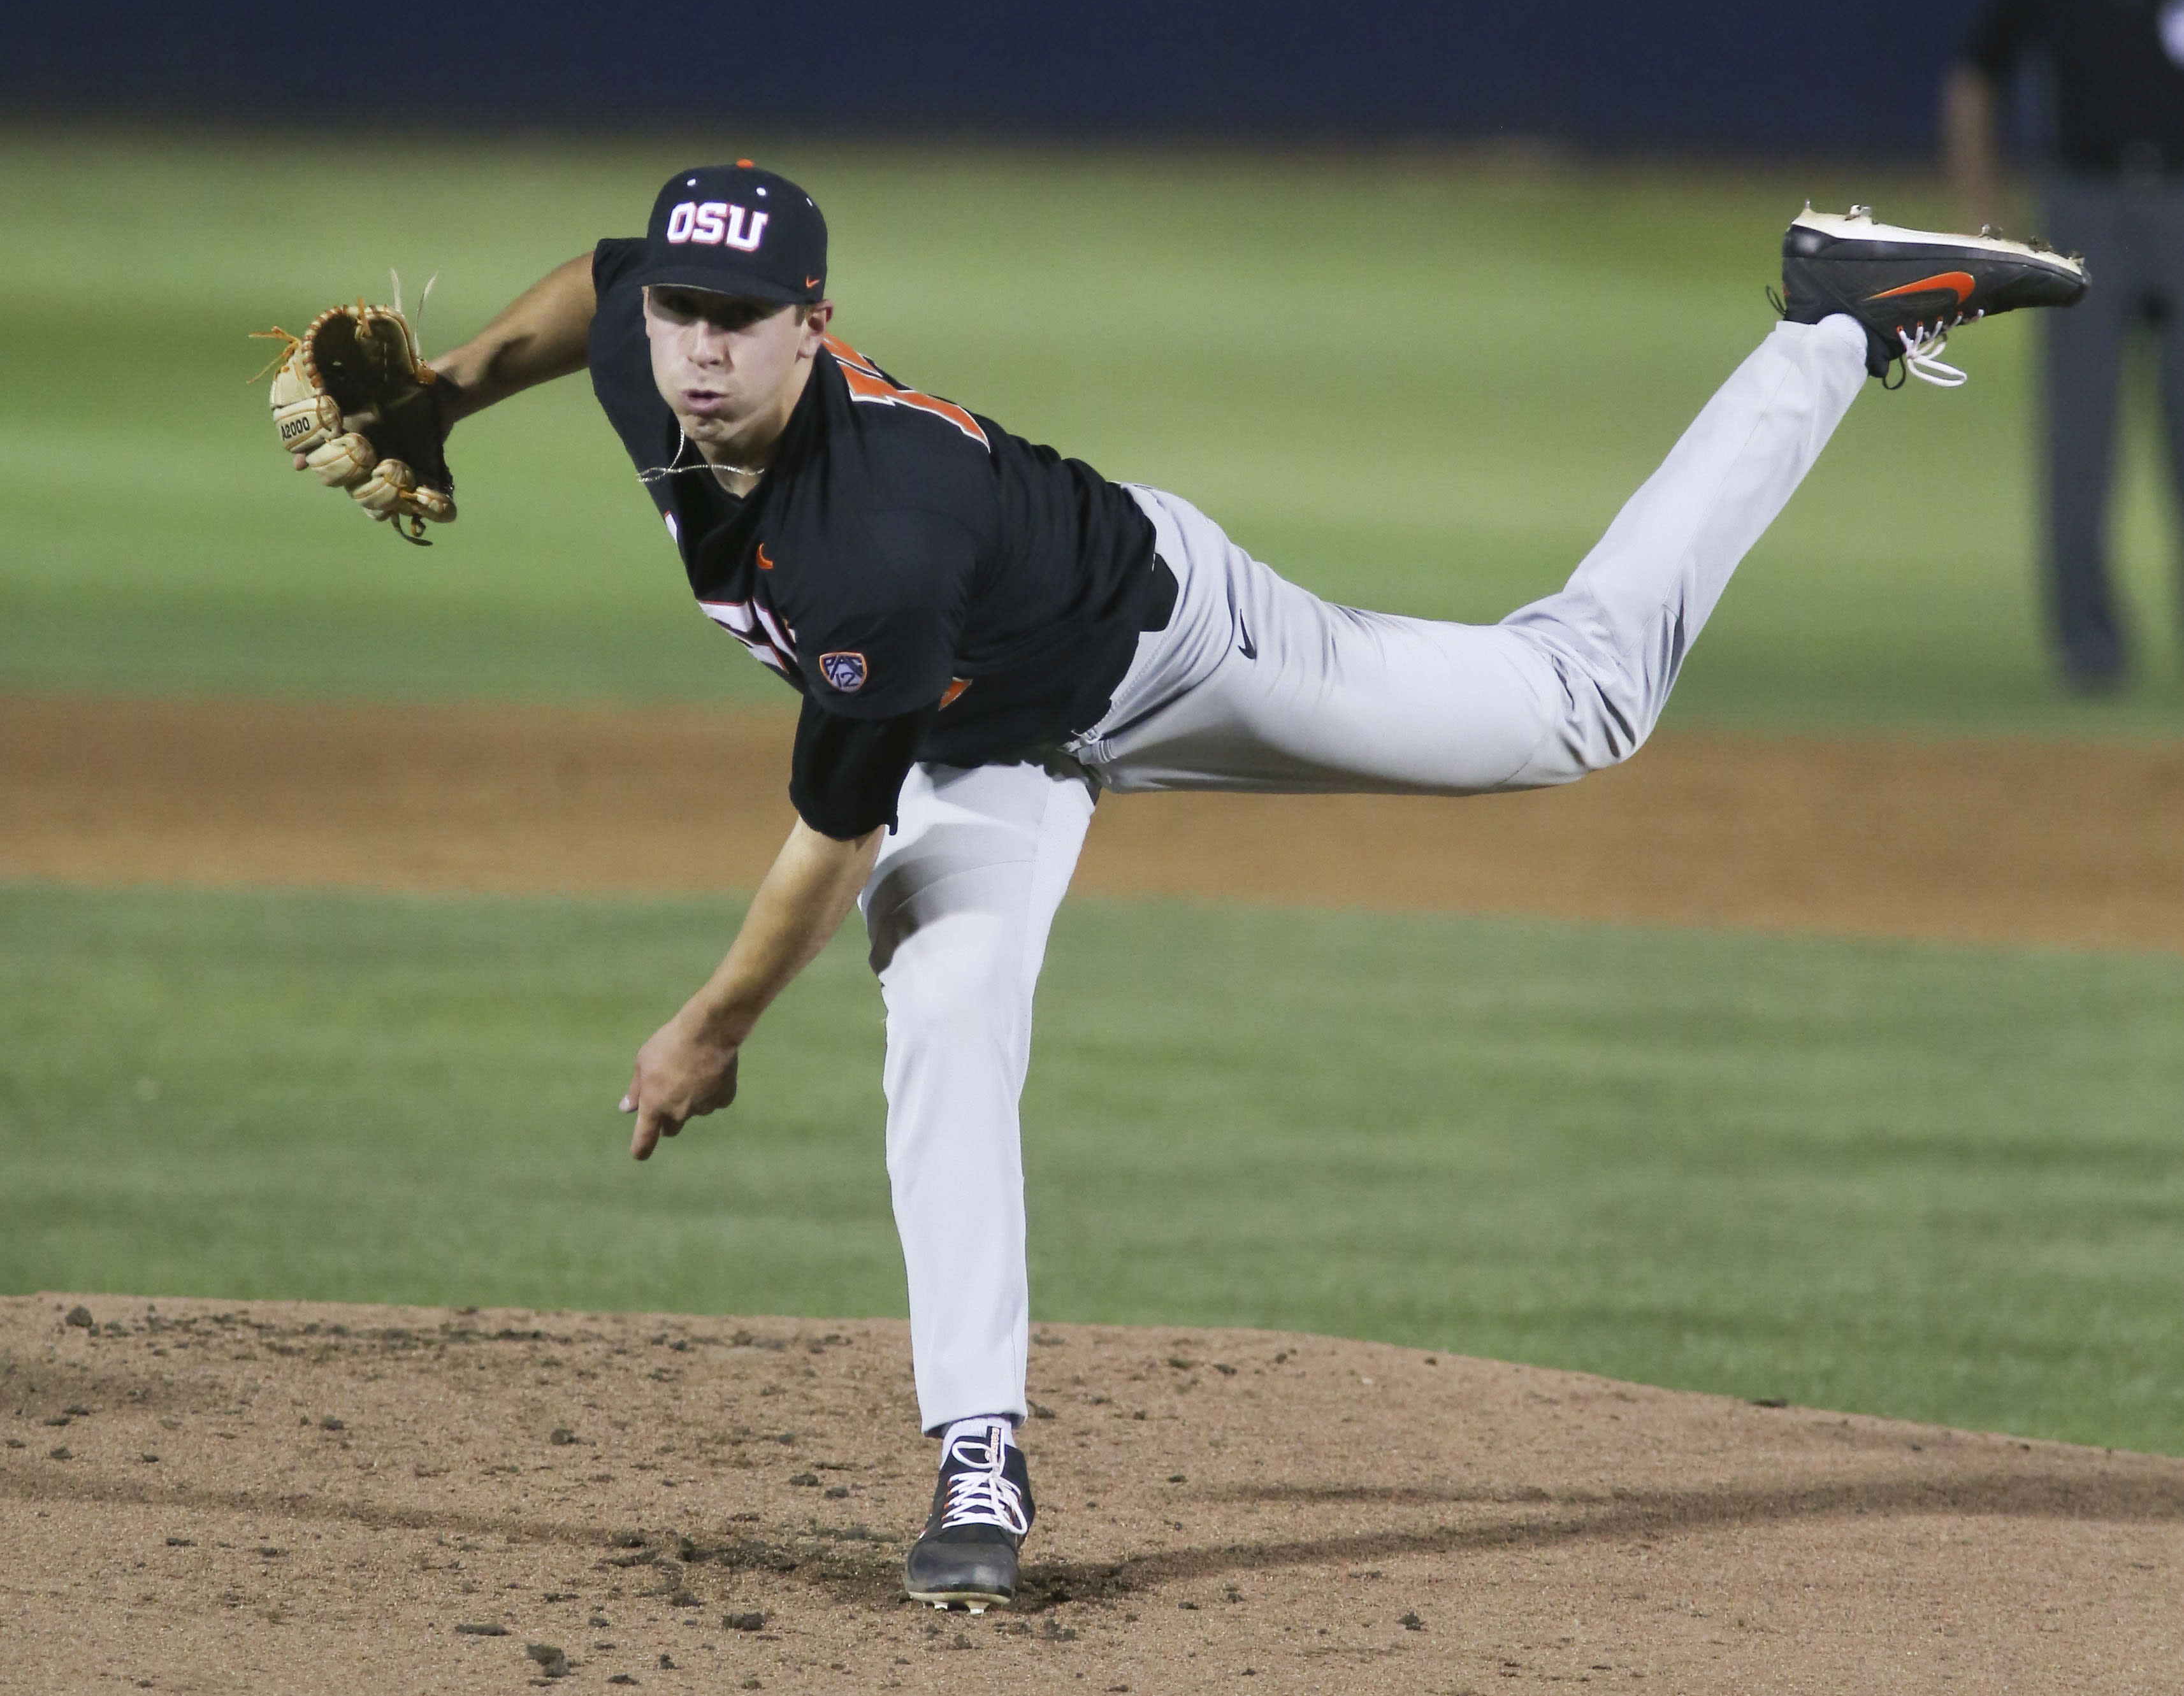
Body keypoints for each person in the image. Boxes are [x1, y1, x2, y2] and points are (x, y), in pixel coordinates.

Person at [276, 164, 2085, 1609]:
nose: (694, 350)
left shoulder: (871, 543)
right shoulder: (647, 342)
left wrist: (706, 1028)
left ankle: (1828, 328)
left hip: (1167, 643)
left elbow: (827, 841)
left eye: (741, 320)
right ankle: (977, 1453)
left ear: (815, 331)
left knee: (1577, 705)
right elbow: (594, 280)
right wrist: (438, 398)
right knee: (950, 1016)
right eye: (686, 310)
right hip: (984, 747)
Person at [1947, 0, 2184, 691]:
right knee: (2078, 437)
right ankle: (2088, 647)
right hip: (2085, 205)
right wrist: (1987, 217)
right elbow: (1975, 74)